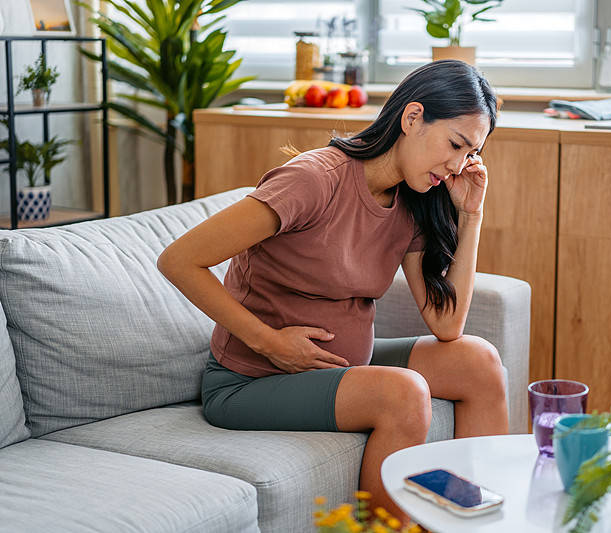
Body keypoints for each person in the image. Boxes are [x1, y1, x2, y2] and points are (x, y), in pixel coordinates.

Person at [157, 59, 509, 522]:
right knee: (403, 393)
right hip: (252, 380)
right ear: (412, 118)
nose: (458, 165)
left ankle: (477, 525)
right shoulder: (313, 180)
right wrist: (269, 341)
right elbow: (180, 260)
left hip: (340, 366)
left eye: (471, 153)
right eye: (456, 144)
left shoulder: (413, 199)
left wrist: (471, 215)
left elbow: (448, 325)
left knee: (479, 362)